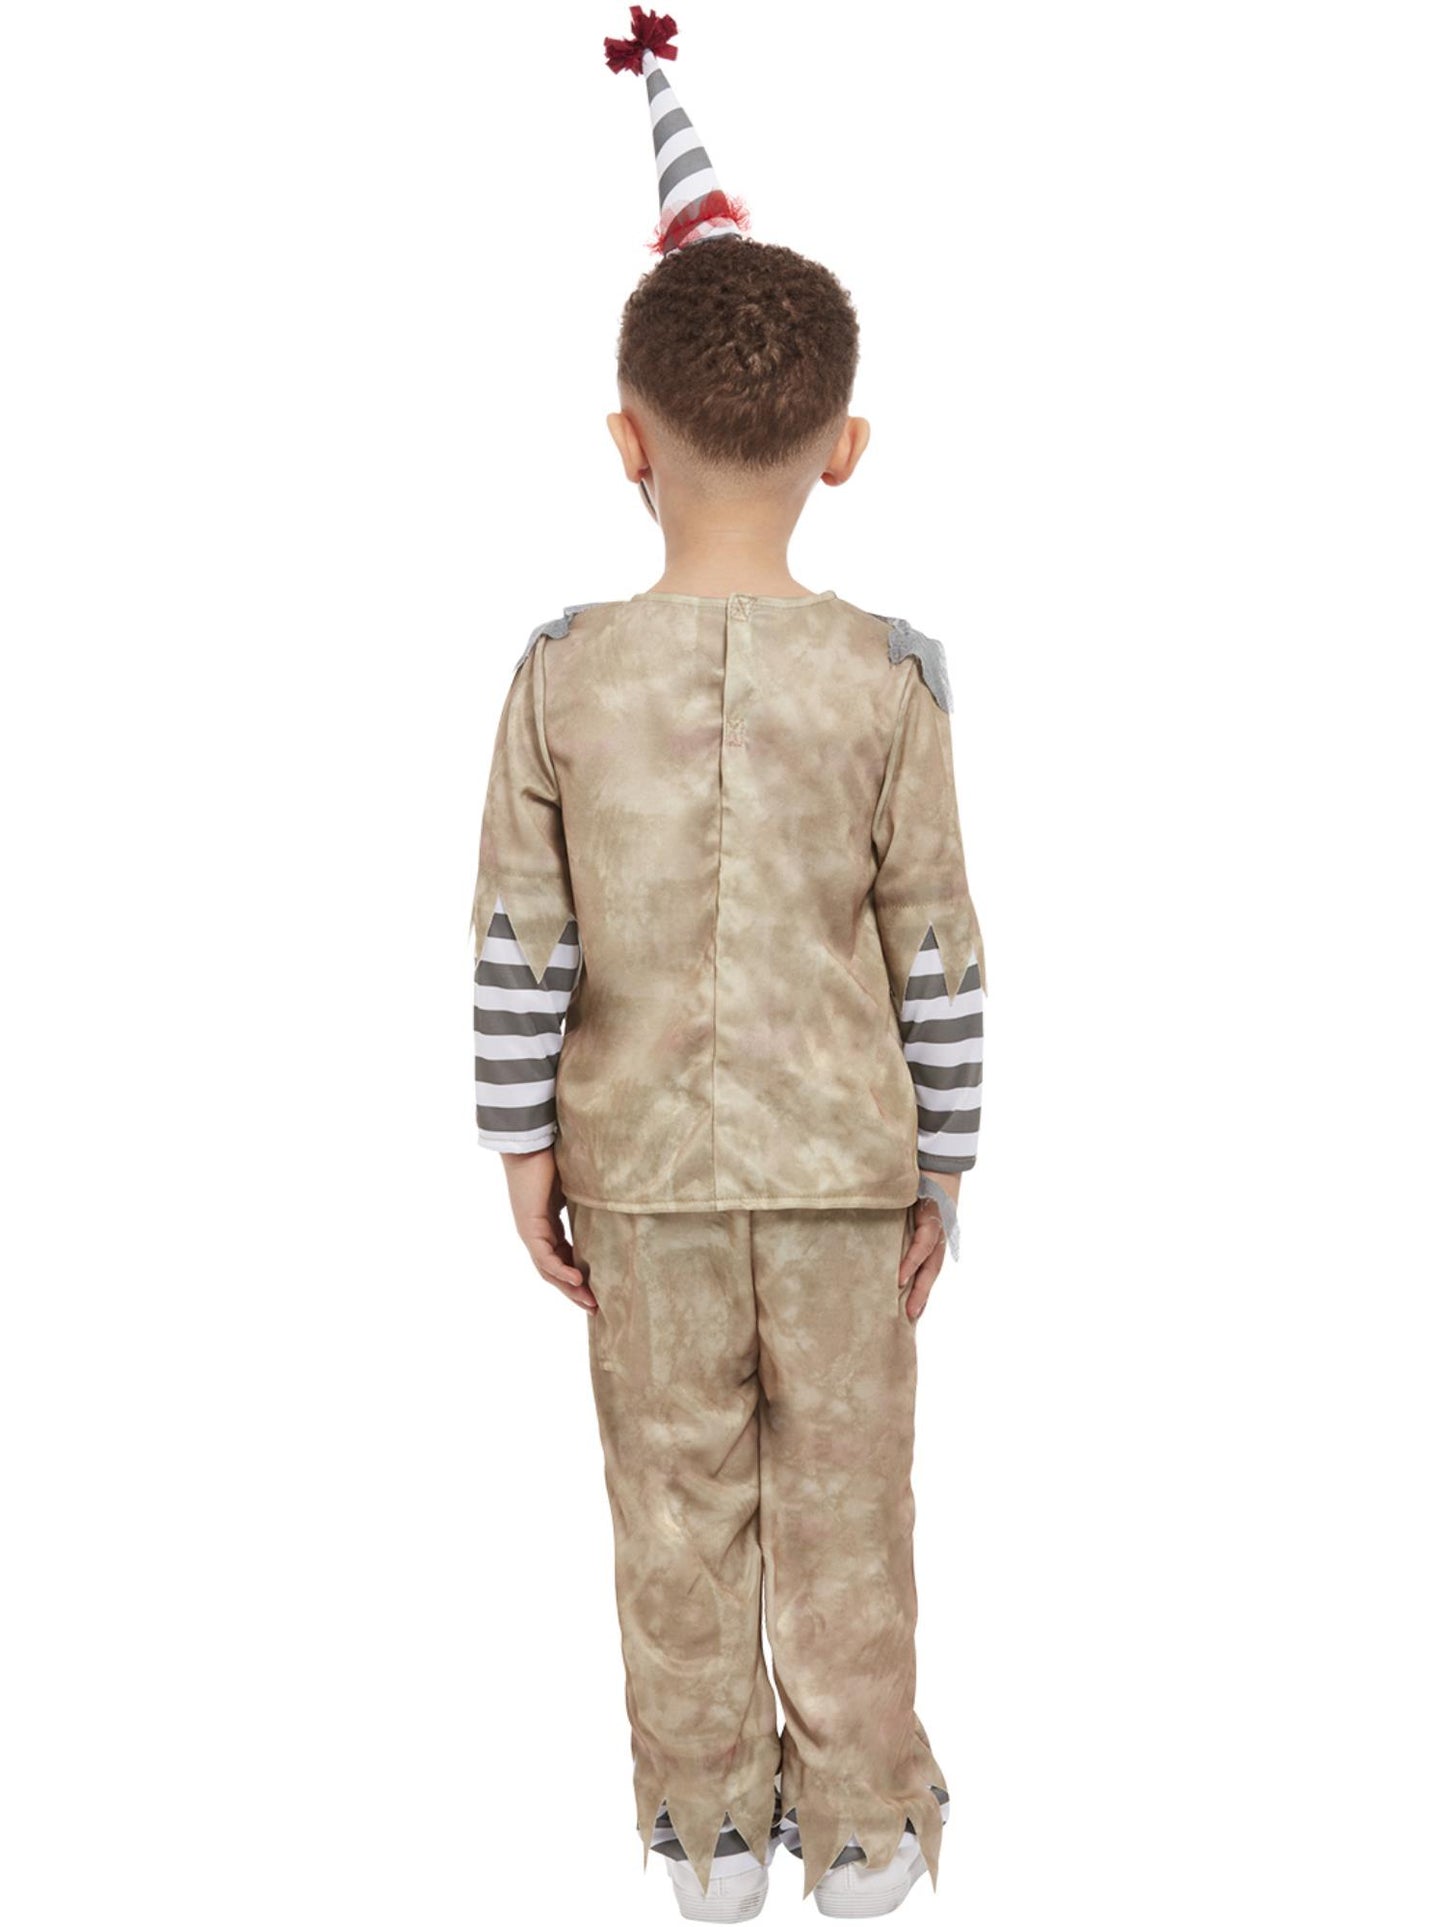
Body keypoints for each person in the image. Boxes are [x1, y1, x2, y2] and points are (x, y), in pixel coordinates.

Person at [468, 12, 987, 1919]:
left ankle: (702, 1833)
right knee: (848, 1500)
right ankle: (859, 1830)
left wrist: (523, 1148)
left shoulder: (557, 675)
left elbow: (517, 943)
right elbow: (936, 946)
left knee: (673, 1513)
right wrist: (944, 1163)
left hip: (640, 1182)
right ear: (845, 449)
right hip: (845, 1176)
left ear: (626, 442)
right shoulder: (889, 678)